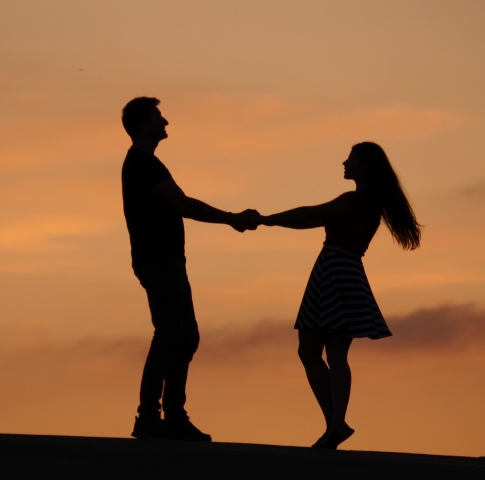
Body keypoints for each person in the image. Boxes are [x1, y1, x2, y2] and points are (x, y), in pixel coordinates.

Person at [261, 142, 421, 449]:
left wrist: (266, 219)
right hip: (347, 271)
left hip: (334, 269)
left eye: (352, 158)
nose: (345, 162)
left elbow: (310, 215)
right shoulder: (371, 203)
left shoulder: (355, 201)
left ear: (364, 166)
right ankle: (335, 423)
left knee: (310, 351)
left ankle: (336, 422)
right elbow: (310, 218)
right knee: (334, 354)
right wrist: (270, 220)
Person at [121, 97, 260, 441]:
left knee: (184, 336)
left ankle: (171, 415)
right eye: (158, 117)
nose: (165, 122)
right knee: (170, 334)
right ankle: (152, 416)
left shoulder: (145, 163)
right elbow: (182, 204)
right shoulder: (143, 164)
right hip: (159, 260)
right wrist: (230, 219)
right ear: (143, 125)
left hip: (167, 259)